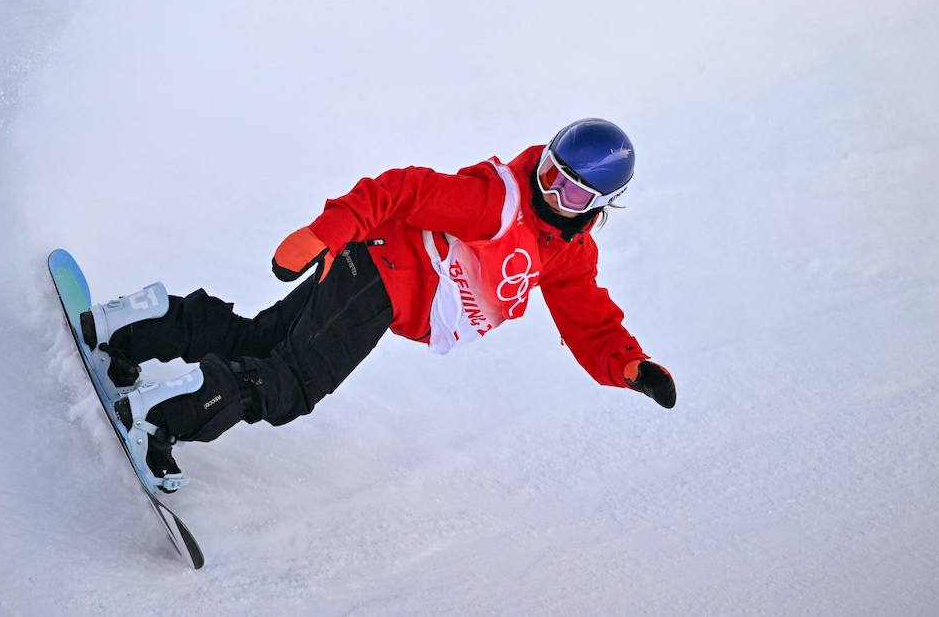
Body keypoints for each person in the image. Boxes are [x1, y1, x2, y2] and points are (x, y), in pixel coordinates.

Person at [84, 118, 676, 490]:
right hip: (378, 280)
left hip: (372, 280)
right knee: (288, 383)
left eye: (570, 189)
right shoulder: (495, 200)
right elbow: (405, 189)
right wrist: (327, 230)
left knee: (259, 343)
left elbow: (588, 316)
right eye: (550, 171)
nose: (551, 190)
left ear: (601, 204)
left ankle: (135, 325)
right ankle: (158, 415)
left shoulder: (567, 252)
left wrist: (629, 365)